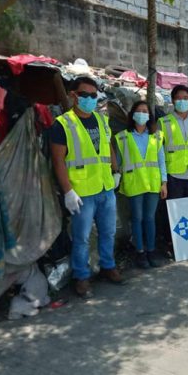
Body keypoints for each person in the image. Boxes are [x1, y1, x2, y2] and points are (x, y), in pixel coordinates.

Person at [50, 76, 122, 298]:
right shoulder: (63, 124)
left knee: (108, 232)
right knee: (81, 238)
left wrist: (116, 169)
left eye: (94, 95)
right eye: (86, 95)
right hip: (81, 192)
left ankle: (108, 266)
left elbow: (108, 145)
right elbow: (58, 160)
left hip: (105, 188)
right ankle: (81, 277)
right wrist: (68, 191)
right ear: (74, 96)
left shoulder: (101, 120)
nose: (91, 99)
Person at [114, 101, 167, 269]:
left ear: (150, 116)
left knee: (149, 218)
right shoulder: (122, 136)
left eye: (145, 111)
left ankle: (150, 251)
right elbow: (118, 161)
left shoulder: (156, 135)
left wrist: (164, 182)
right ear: (132, 114)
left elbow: (161, 161)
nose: (142, 114)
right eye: (139, 111)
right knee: (137, 219)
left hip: (153, 183)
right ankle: (140, 252)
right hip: (134, 182)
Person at [158, 85, 188, 248]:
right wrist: (163, 179)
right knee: (173, 211)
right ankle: (173, 243)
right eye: (179, 98)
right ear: (172, 100)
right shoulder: (164, 122)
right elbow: (159, 152)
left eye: (186, 98)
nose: (183, 101)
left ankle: (187, 244)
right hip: (173, 173)